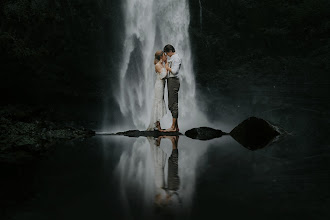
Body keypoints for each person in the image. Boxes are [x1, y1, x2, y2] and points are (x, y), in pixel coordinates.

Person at [146, 50, 168, 131]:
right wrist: (167, 65)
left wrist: (166, 65)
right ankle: (158, 126)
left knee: (159, 102)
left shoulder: (161, 64)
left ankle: (157, 124)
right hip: (159, 85)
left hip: (161, 85)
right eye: (165, 55)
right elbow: (164, 75)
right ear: (161, 57)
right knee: (158, 102)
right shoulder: (158, 65)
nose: (166, 57)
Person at [163, 44, 181, 132]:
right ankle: (176, 127)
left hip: (174, 81)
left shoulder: (176, 58)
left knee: (173, 104)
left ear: (169, 51)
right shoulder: (173, 58)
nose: (166, 55)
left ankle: (173, 127)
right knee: (171, 104)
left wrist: (167, 68)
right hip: (171, 81)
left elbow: (175, 71)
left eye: (166, 53)